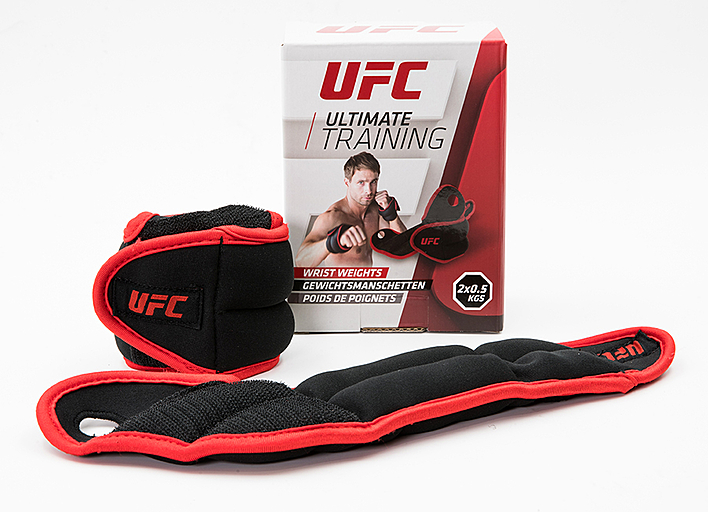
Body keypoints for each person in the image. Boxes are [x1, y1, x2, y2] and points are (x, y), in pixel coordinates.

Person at [296, 152, 406, 267]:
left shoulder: (377, 210)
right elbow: (300, 262)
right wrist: (331, 243)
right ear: (347, 183)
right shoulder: (332, 217)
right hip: (340, 279)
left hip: (368, 278)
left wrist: (392, 216)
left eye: (373, 182)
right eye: (361, 183)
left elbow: (402, 247)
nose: (368, 191)